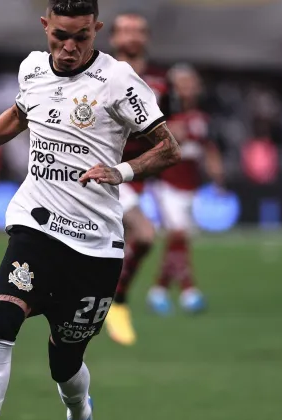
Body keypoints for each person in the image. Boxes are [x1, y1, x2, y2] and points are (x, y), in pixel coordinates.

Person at [0, 1, 181, 420]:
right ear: (45, 26)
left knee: (64, 364)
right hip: (35, 225)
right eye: (60, 36)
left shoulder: (120, 82)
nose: (68, 48)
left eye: (81, 37)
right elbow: (18, 118)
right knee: (1, 324)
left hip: (95, 245)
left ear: (96, 30)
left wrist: (120, 170)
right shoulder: (32, 69)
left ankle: (80, 414)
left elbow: (170, 148)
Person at [102, 11, 172, 346]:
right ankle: (116, 300)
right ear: (113, 38)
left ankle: (110, 299)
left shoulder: (160, 83)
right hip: (110, 170)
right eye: (125, 30)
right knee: (144, 235)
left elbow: (170, 127)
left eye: (138, 31)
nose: (131, 36)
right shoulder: (99, 74)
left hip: (147, 175)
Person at [148, 63, 223, 314]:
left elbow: (207, 147)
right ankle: (190, 291)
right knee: (178, 235)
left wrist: (216, 171)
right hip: (166, 183)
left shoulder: (201, 118)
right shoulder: (162, 115)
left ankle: (158, 290)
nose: (189, 89)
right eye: (183, 84)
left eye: (192, 83)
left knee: (178, 241)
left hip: (191, 185)